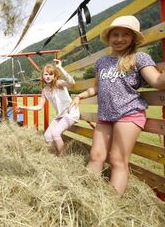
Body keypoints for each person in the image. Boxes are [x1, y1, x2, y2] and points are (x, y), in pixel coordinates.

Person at [70, 15, 165, 196]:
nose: (120, 39)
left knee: (117, 160)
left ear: (133, 38)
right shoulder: (102, 62)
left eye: (125, 35)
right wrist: (79, 96)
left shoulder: (139, 58)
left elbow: (158, 81)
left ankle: (111, 206)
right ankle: (87, 197)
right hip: (105, 115)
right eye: (115, 34)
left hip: (128, 113)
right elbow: (97, 87)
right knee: (96, 156)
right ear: (109, 37)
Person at [18, 59, 80, 155]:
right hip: (60, 115)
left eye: (50, 74)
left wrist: (59, 67)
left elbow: (72, 82)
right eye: (46, 74)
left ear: (54, 76)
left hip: (70, 113)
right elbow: (39, 107)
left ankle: (63, 158)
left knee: (55, 133)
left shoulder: (58, 83)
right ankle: (54, 154)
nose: (48, 77)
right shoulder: (45, 90)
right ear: (42, 76)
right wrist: (24, 107)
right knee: (47, 136)